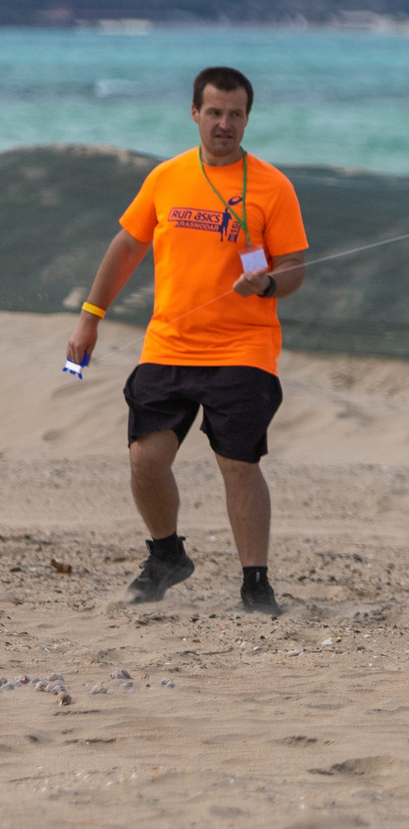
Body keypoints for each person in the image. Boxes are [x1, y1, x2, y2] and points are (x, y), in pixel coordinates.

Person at [64, 67, 311, 614]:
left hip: (244, 348)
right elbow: (127, 246)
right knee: (145, 458)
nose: (225, 123)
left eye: (236, 114)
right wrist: (90, 317)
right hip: (169, 345)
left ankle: (255, 584)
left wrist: (269, 283)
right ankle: (167, 555)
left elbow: (294, 265)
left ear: (247, 119)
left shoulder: (272, 185)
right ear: (195, 113)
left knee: (238, 462)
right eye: (215, 112)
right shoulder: (166, 177)